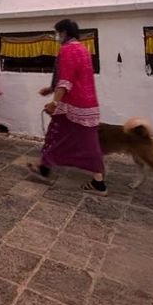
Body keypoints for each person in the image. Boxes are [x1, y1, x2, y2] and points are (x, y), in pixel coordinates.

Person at [29, 19, 106, 194]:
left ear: (64, 33)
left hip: (72, 104)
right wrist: (51, 89)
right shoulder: (83, 49)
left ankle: (99, 183)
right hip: (87, 104)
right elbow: (73, 77)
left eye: (58, 33)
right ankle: (45, 166)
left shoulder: (68, 50)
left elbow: (66, 81)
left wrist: (54, 102)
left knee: (59, 135)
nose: (57, 37)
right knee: (68, 137)